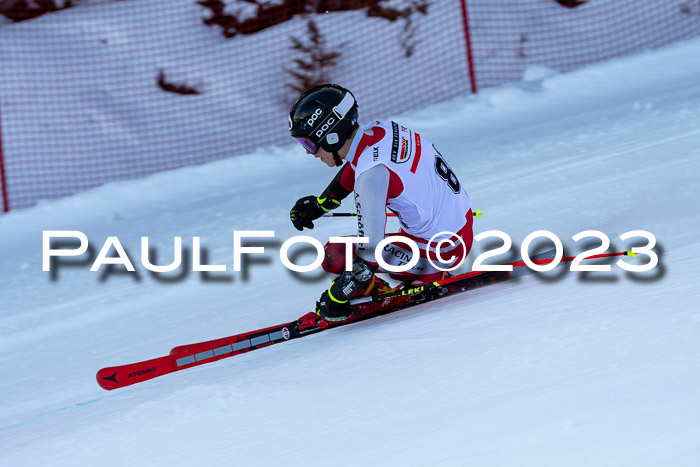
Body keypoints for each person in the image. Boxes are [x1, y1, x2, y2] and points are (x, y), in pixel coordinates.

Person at [288, 83, 474, 322]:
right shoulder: (380, 131)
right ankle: (419, 272)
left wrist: (335, 299)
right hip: (458, 227)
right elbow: (355, 168)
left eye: (310, 144)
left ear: (331, 135)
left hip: (441, 251)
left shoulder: (372, 176)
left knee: (334, 254)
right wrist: (322, 204)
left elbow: (369, 257)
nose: (310, 153)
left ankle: (405, 286)